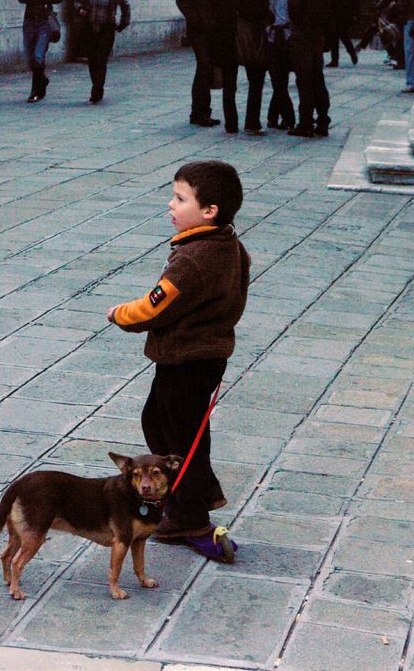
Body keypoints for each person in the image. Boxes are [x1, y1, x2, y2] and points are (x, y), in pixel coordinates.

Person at [107, 160, 250, 543]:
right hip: (203, 357)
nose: (171, 205)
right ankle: (198, 494)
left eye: (179, 198)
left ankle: (189, 512)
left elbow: (155, 307)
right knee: (165, 423)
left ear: (209, 211)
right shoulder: (227, 243)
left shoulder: (194, 258)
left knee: (178, 437)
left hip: (186, 361)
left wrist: (119, 314)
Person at [176, 0, 239, 131]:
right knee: (204, 66)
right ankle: (199, 113)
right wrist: (198, 19)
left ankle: (202, 111)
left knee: (205, 68)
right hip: (199, 31)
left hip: (213, 30)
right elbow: (182, 0)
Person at [288, 0, 333, 137]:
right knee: (317, 78)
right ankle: (322, 120)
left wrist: (296, 23)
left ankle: (306, 123)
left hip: (303, 33)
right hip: (317, 32)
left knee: (305, 79)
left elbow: (294, 6)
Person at [73, 0, 131, 103]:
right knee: (92, 59)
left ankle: (97, 89)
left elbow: (125, 5)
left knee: (101, 59)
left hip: (106, 28)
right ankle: (96, 85)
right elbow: (77, 2)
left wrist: (123, 23)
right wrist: (80, 8)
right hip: (89, 28)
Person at [234, 0, 273, 135]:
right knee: (257, 79)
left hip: (245, 32)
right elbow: (260, 9)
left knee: (254, 79)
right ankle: (253, 120)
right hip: (255, 34)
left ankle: (252, 120)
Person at [18, 0, 65, 103]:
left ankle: (35, 91)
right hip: (29, 20)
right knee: (30, 58)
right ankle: (42, 80)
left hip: (45, 21)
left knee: (38, 55)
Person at [266, 0, 295, 130]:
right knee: (276, 78)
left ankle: (277, 116)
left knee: (281, 78)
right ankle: (284, 116)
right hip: (271, 37)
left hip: (286, 37)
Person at [326, 0, 359, 67]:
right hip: (338, 11)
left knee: (340, 35)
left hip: (341, 12)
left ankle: (336, 59)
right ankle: (349, 54)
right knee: (339, 35)